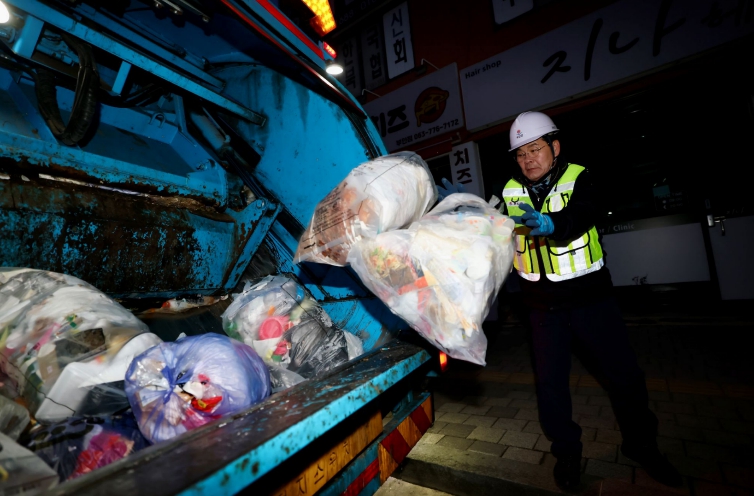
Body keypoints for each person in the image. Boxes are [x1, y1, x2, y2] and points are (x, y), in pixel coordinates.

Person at [498, 111, 681, 490]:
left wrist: (554, 224)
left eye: (535, 149)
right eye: (521, 154)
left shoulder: (580, 176)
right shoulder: (509, 191)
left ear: (555, 147)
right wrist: (467, 211)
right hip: (541, 306)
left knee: (624, 377)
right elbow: (493, 233)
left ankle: (642, 445)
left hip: (590, 299)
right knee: (550, 385)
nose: (528, 159)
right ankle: (567, 452)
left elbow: (584, 213)